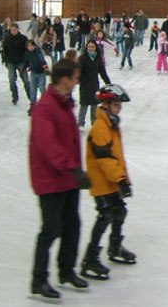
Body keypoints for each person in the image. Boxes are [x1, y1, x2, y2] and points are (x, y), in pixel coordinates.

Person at [29, 58, 90, 300]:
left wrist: (75, 171)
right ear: (64, 79)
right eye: (75, 77)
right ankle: (38, 280)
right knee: (51, 230)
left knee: (72, 227)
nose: (77, 82)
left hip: (67, 178)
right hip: (51, 180)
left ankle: (66, 271)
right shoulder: (46, 108)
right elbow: (48, 146)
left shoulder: (65, 103)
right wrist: (72, 168)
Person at [80, 84, 136, 281]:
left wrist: (122, 179)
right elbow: (105, 158)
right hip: (101, 181)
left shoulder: (111, 123)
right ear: (105, 104)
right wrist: (120, 180)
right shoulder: (100, 127)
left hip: (110, 180)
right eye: (116, 105)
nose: (119, 108)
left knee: (120, 211)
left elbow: (116, 156)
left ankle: (114, 248)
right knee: (105, 216)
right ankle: (90, 258)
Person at [78, 40, 111, 130]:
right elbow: (78, 71)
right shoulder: (82, 58)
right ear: (87, 48)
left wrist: (108, 82)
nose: (91, 48)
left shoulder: (98, 58)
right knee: (84, 104)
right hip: (84, 84)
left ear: (95, 47)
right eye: (89, 47)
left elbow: (102, 71)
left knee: (94, 104)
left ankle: (94, 122)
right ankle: (80, 123)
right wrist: (77, 79)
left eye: (92, 47)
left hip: (94, 84)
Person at [3, 23, 31, 105]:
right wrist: (5, 60)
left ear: (18, 29)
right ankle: (14, 96)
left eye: (15, 30)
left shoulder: (23, 39)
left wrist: (27, 63)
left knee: (26, 80)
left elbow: (27, 51)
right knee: (11, 79)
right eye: (12, 30)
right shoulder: (7, 39)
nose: (13, 32)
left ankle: (30, 96)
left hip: (21, 62)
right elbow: (4, 50)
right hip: (10, 62)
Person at [24, 40, 50, 115]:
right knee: (33, 90)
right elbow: (26, 61)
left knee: (42, 89)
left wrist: (45, 68)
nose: (30, 47)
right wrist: (24, 68)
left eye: (31, 45)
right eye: (28, 46)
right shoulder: (27, 53)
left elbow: (42, 60)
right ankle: (33, 106)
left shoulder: (38, 52)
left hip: (41, 73)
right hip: (33, 73)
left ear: (34, 45)